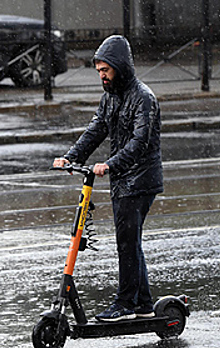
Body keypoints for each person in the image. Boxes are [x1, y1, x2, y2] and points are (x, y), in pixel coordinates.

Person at [52, 35, 163, 322]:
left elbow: (140, 142)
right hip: (122, 179)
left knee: (127, 243)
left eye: (106, 70)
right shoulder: (110, 96)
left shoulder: (143, 98)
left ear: (119, 67)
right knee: (130, 241)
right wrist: (71, 157)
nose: (102, 76)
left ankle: (125, 303)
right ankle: (144, 303)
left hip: (140, 179)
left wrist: (110, 164)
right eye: (99, 71)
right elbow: (96, 129)